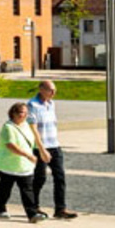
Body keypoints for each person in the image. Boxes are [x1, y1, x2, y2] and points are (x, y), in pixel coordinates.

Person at [26, 79, 78, 219]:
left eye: (55, 90)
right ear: (41, 89)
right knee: (39, 178)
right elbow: (33, 129)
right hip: (40, 147)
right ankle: (34, 207)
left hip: (54, 145)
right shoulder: (32, 105)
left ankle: (60, 209)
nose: (53, 93)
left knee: (60, 177)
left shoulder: (51, 104)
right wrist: (42, 150)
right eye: (50, 90)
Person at [0, 101, 45, 222]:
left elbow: (33, 140)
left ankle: (32, 214)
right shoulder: (8, 127)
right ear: (13, 113)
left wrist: (40, 152)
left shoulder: (26, 125)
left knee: (27, 190)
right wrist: (28, 155)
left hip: (24, 166)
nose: (25, 115)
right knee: (5, 189)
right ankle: (0, 208)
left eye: (26, 113)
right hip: (8, 164)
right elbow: (11, 145)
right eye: (22, 112)